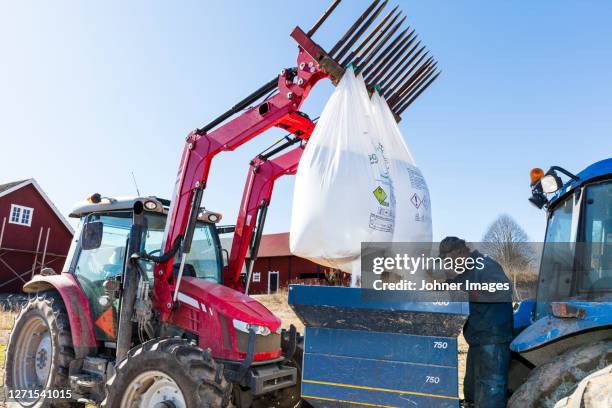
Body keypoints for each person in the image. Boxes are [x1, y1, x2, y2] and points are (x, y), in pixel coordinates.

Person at [438, 237, 513, 408]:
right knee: (473, 387)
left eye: (449, 261)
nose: (449, 266)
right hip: (478, 336)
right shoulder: (469, 271)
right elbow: (458, 285)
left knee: (491, 386)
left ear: (459, 253)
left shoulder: (485, 265)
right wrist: (440, 287)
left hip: (493, 336)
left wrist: (467, 292)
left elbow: (503, 289)